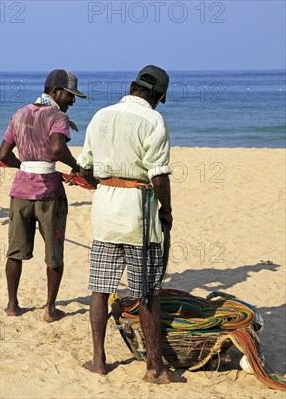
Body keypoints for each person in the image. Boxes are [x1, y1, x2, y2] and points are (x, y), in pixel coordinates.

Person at [76, 65, 186, 384]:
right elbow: (158, 175)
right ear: (161, 96)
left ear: (131, 86)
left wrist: (97, 179)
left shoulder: (101, 115)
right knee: (148, 292)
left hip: (105, 210)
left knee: (100, 288)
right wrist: (166, 210)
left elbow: (86, 169)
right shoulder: (153, 120)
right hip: (138, 211)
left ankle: (98, 361)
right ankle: (154, 368)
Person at [0, 69, 87, 322]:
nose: (73, 101)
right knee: (54, 253)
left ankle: (13, 305)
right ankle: (49, 309)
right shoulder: (56, 116)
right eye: (70, 95)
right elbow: (58, 147)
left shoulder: (19, 114)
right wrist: (75, 167)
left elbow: (3, 155)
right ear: (56, 92)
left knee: (15, 252)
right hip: (49, 192)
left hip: (20, 192)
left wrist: (24, 167)